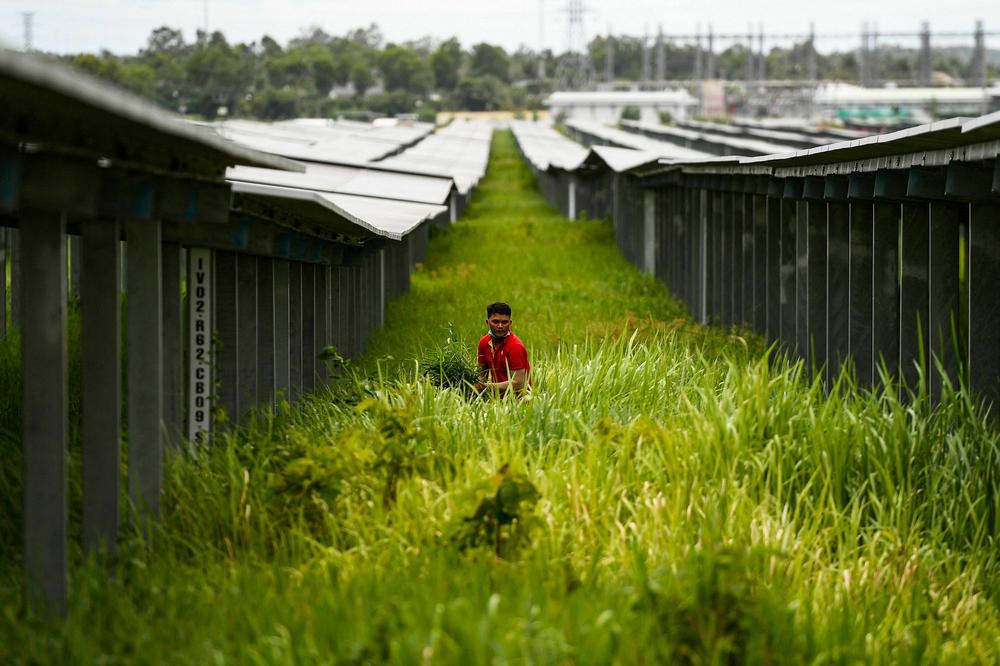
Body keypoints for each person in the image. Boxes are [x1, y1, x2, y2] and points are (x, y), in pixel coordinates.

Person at [474, 302, 530, 396]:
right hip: (498, 399)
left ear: (510, 323)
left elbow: (518, 383)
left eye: (504, 322)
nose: (500, 326)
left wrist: (487, 387)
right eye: (495, 322)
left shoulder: (515, 346)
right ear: (487, 322)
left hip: (520, 401)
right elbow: (481, 375)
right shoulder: (483, 343)